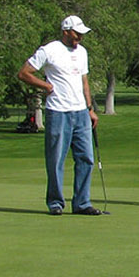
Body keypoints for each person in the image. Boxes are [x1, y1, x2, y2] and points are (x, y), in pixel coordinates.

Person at [17, 15, 104, 216]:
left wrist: (90, 108)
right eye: (76, 33)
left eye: (82, 34)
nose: (79, 38)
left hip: (81, 111)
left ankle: (82, 203)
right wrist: (45, 85)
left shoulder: (82, 52)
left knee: (86, 158)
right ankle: (56, 202)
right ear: (66, 31)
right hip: (58, 111)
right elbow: (24, 73)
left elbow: (84, 81)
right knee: (56, 159)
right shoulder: (49, 50)